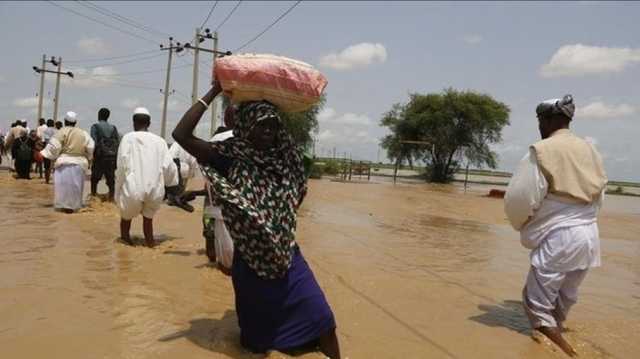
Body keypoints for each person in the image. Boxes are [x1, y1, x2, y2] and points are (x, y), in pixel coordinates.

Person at [173, 83, 341, 358]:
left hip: (287, 258)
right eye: (261, 125)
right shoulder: (228, 159)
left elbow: (298, 190)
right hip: (251, 263)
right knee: (256, 345)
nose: (267, 132)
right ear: (247, 126)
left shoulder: (285, 159)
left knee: (323, 320)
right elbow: (181, 134)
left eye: (272, 126)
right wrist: (215, 92)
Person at [504, 95, 607, 357]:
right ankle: (549, 343)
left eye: (540, 120)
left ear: (548, 120)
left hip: (560, 238)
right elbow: (599, 195)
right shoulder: (591, 150)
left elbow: (521, 198)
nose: (539, 125)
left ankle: (568, 353)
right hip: (589, 237)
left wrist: (522, 224)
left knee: (536, 306)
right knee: (563, 299)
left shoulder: (542, 150)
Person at [115, 107, 178, 247]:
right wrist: (170, 184)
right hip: (155, 189)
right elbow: (169, 166)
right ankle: (150, 245)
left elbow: (121, 166)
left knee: (126, 218)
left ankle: (125, 245)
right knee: (148, 220)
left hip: (133, 188)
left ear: (133, 122)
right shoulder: (160, 141)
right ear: (149, 123)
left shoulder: (127, 138)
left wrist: (118, 189)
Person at [41, 111, 95, 213]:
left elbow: (53, 148)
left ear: (65, 121)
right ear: (75, 122)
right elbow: (91, 147)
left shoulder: (60, 132)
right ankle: (75, 208)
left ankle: (63, 209)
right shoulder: (83, 133)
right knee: (76, 188)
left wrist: (44, 153)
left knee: (62, 189)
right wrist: (89, 157)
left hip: (63, 164)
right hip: (79, 164)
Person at [90, 107, 120, 201]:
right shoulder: (113, 128)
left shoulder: (95, 127)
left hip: (99, 157)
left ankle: (93, 198)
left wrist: (91, 157)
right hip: (111, 157)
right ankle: (111, 199)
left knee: (94, 179)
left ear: (99, 115)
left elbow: (93, 142)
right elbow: (117, 142)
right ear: (108, 117)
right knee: (111, 180)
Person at [42, 119, 57, 184]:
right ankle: (55, 181)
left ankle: (47, 181)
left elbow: (45, 141)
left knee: (47, 167)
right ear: (53, 124)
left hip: (48, 149)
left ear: (47, 124)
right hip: (55, 149)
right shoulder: (56, 131)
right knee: (55, 166)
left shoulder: (46, 130)